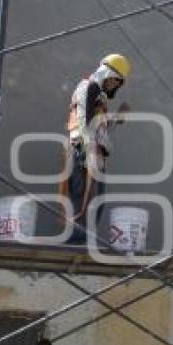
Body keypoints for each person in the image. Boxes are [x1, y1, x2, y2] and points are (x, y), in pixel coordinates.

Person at [60, 54, 131, 243]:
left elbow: (99, 130)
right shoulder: (88, 87)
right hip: (82, 151)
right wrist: (90, 151)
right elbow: (84, 122)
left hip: (91, 152)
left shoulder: (98, 97)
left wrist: (115, 119)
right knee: (83, 200)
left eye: (119, 83)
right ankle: (74, 243)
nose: (115, 86)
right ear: (107, 74)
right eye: (115, 80)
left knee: (95, 202)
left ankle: (79, 241)